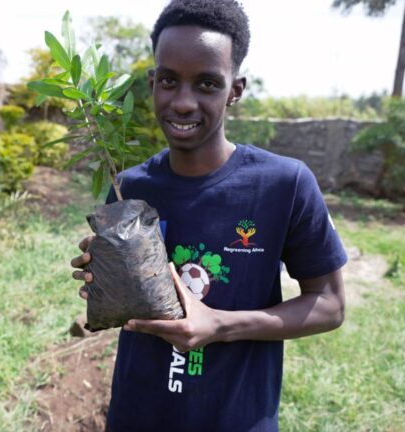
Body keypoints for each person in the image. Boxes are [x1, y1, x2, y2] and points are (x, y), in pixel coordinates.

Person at [70, 0, 347, 430]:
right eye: (169, 81)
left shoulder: (283, 184)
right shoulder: (131, 187)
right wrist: (102, 280)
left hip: (235, 417)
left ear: (235, 89)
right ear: (151, 84)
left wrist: (218, 325)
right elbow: (127, 307)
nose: (182, 102)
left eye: (206, 84)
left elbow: (329, 305)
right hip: (137, 414)